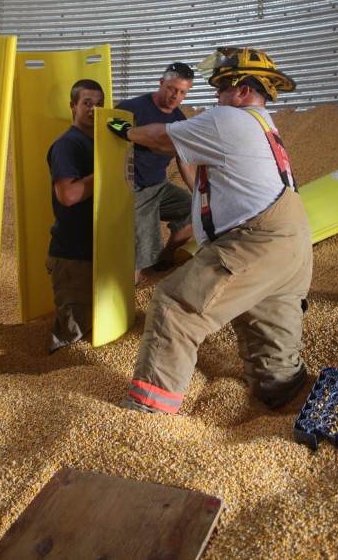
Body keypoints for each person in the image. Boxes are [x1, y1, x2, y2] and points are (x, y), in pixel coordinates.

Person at [108, 46, 313, 414]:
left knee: (176, 305)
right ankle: (288, 397)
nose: (216, 97)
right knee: (270, 344)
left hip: (256, 240)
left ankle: (146, 413)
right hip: (292, 243)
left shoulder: (228, 118)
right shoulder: (265, 125)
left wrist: (126, 132)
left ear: (243, 90)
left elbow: (162, 138)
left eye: (221, 88)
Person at [116, 62, 196, 282]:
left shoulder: (179, 121)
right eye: (172, 89)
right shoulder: (131, 108)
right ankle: (129, 286)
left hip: (158, 186)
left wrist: (202, 196)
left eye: (182, 93)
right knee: (143, 242)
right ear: (161, 83)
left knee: (194, 210)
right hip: (134, 187)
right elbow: (107, 145)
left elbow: (184, 162)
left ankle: (164, 260)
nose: (175, 96)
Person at [45, 79, 105, 353]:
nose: (94, 109)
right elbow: (67, 195)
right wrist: (106, 171)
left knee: (95, 326)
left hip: (97, 251)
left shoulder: (103, 141)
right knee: (72, 336)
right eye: (87, 103)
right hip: (72, 256)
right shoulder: (68, 144)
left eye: (99, 104)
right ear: (73, 106)